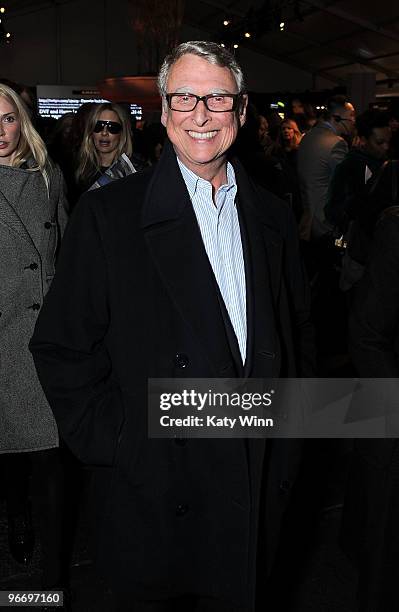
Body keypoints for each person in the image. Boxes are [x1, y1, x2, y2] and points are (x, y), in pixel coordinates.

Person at [30, 41, 314, 612]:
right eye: (184, 98)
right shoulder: (110, 215)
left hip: (254, 473)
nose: (201, 115)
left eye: (216, 98)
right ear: (163, 110)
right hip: (159, 485)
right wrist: (121, 441)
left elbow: (297, 342)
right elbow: (61, 346)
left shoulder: (272, 214)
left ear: (241, 108)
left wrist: (292, 443)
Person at [0, 84, 69, 601]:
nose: (0, 133)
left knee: (49, 454)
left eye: (6, 119)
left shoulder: (48, 177)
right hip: (2, 339)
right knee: (12, 456)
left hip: (45, 338)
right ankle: (17, 518)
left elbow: (65, 253)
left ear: (21, 120)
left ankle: (54, 573)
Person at [297, 95, 356, 241]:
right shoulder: (337, 143)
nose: (354, 121)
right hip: (326, 223)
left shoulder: (307, 136)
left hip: (307, 220)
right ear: (337, 118)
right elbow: (346, 183)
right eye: (352, 116)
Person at [325, 109, 391, 234]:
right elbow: (332, 210)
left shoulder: (387, 163)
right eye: (380, 142)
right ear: (363, 139)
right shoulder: (350, 165)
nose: (386, 147)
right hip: (363, 244)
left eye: (388, 141)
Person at [75, 102, 141, 196]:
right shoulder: (81, 168)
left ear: (122, 133)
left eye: (112, 127)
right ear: (91, 131)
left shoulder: (135, 170)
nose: (104, 133)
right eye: (98, 126)